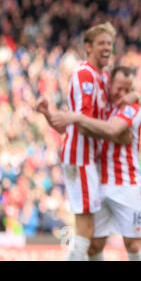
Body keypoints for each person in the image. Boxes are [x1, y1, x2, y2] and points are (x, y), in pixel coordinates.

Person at [36, 22, 116, 261]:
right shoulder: (85, 74)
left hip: (91, 159)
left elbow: (69, 122)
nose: (106, 48)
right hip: (80, 158)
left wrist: (49, 115)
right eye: (101, 43)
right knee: (86, 228)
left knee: (96, 233)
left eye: (109, 44)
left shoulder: (102, 76)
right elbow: (83, 119)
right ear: (88, 47)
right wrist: (113, 131)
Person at [50, 66, 141, 261]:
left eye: (128, 89)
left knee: (133, 243)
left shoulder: (132, 108)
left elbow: (111, 130)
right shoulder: (100, 108)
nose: (122, 94)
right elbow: (82, 129)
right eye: (119, 88)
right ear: (109, 85)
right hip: (99, 182)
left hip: (127, 183)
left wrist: (78, 119)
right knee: (94, 245)